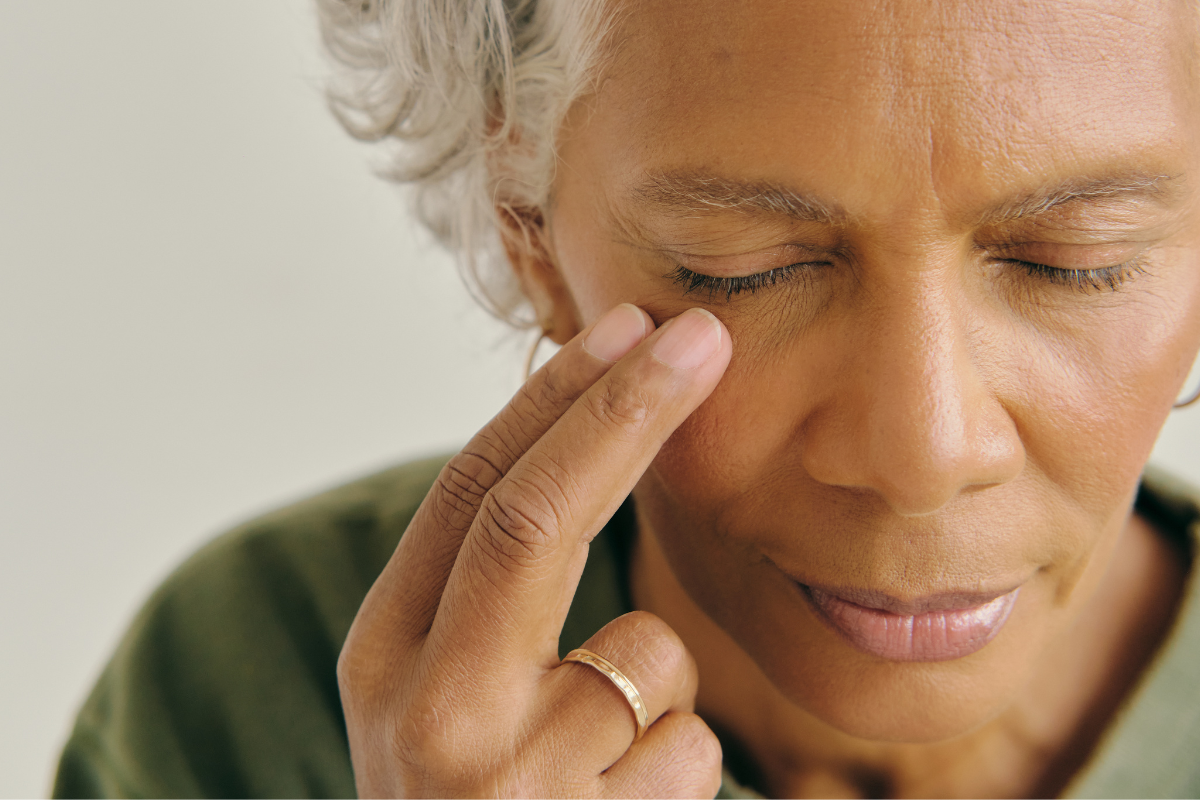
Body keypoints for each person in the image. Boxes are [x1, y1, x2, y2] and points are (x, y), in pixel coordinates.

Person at [54, 0, 1200, 797]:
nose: (925, 451)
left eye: (1077, 258)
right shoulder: (247, 685)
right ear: (532, 236)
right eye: (745, 266)